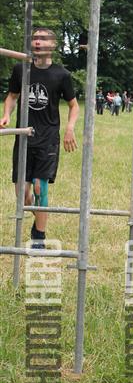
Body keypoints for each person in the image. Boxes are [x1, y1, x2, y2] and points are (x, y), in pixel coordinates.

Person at [0, 27, 79, 248]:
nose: (37, 42)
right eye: (35, 38)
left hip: (48, 138)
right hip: (23, 137)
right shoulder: (21, 69)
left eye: (43, 39)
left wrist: (70, 128)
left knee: (39, 187)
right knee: (23, 195)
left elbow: (74, 106)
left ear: (53, 45)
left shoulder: (62, 75)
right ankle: (39, 218)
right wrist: (6, 114)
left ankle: (39, 237)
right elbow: (12, 96)